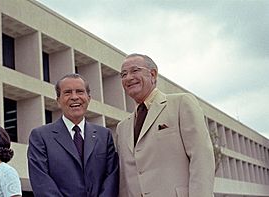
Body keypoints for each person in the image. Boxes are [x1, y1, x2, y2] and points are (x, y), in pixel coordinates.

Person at [114, 53, 215, 197]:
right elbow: (124, 181)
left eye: (135, 70)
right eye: (123, 74)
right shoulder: (122, 128)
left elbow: (201, 158)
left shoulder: (181, 104)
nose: (128, 77)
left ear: (153, 74)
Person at [27, 73, 119, 197]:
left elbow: (111, 178)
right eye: (67, 92)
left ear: (89, 98)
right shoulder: (40, 136)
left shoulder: (104, 135)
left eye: (80, 91)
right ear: (58, 101)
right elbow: (42, 183)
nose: (74, 97)